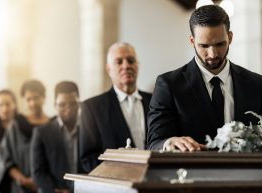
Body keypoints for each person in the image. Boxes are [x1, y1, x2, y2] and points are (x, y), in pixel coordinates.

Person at [147, 5, 262, 152]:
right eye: (204, 46)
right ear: (191, 41)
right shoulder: (169, 85)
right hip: (190, 173)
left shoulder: (257, 85)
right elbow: (155, 142)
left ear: (230, 37)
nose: (213, 54)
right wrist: (169, 142)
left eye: (220, 44)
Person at [80, 42, 152, 172]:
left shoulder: (155, 101)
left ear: (138, 65)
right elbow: (88, 159)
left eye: (131, 60)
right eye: (119, 62)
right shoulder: (92, 108)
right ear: (108, 69)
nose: (126, 66)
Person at [0, 80, 49, 193]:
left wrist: (41, 182)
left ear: (44, 98)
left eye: (36, 97)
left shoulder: (52, 126)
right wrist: (23, 180)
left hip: (47, 187)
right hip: (20, 187)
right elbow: (5, 158)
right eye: (28, 99)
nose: (32, 103)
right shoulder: (16, 126)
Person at [31, 81, 80, 193]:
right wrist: (55, 190)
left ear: (79, 104)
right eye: (62, 105)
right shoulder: (42, 132)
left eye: (72, 104)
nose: (68, 109)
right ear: (55, 105)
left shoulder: (89, 130)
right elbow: (37, 172)